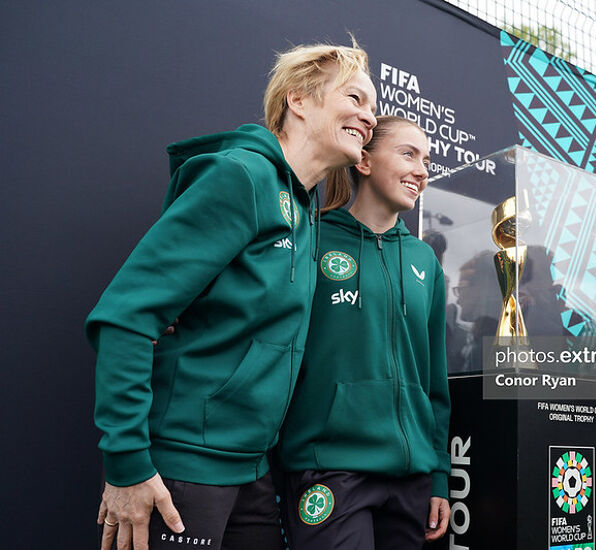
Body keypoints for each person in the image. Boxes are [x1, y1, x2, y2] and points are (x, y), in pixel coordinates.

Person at [85, 41, 377, 550]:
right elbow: (125, 319)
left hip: (254, 474)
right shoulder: (242, 177)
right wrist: (128, 465)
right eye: (355, 98)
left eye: (373, 108)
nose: (368, 117)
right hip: (182, 470)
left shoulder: (305, 210)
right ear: (299, 101)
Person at [276, 115, 451, 549]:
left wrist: (439, 477)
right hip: (330, 468)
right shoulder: (311, 237)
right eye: (408, 154)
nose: (421, 170)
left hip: (410, 479)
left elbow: (434, 383)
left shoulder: (425, 262)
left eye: (426, 160)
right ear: (365, 161)